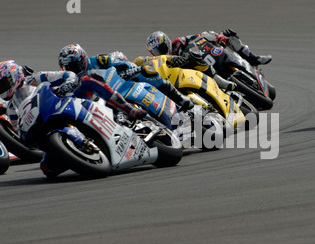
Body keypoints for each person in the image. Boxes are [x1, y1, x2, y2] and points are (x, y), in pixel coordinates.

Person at [0, 59, 146, 177]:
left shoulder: (35, 78)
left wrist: (66, 84)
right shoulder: (12, 107)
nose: (3, 89)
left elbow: (67, 75)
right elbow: (16, 128)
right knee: (47, 168)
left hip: (67, 103)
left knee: (88, 80)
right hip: (47, 123)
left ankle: (128, 109)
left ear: (15, 75)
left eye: (4, 84)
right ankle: (80, 154)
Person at [57, 44, 194, 113]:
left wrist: (131, 70)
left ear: (82, 60)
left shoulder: (99, 60)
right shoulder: (70, 80)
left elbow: (120, 64)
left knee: (147, 73)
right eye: (68, 68)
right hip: (103, 102)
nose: (72, 70)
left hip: (121, 83)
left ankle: (181, 99)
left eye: (74, 66)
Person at [143, 30, 272, 91]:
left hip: (210, 56)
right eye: (155, 52)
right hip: (202, 76)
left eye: (160, 49)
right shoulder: (165, 63)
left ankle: (253, 58)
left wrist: (219, 37)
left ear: (166, 42)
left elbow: (200, 35)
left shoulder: (179, 43)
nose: (159, 53)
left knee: (230, 38)